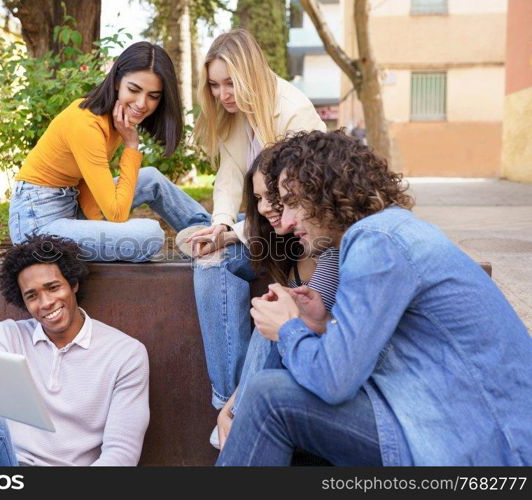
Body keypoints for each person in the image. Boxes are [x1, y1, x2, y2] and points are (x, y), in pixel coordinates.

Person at [218, 130, 532, 466]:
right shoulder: (387, 232)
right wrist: (320, 324)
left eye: (293, 201)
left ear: (327, 188)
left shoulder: (377, 241)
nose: (289, 218)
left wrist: (289, 328)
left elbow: (335, 381)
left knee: (270, 398)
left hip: (483, 444)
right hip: (444, 414)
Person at [177, 29, 326, 411]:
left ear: (251, 74)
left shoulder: (293, 110)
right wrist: (222, 225)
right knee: (209, 258)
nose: (223, 94)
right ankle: (227, 402)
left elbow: (306, 202)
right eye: (214, 85)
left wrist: (235, 235)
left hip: (302, 231)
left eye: (230, 83)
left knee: (225, 258)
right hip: (263, 224)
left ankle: (236, 411)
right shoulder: (235, 115)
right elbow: (229, 174)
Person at [0, 234, 149, 466]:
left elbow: (121, 454)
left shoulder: (125, 353)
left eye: (53, 287)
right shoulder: (8, 336)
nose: (46, 302)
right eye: (32, 295)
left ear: (73, 284)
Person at [9, 41, 209, 262]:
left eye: (153, 96)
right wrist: (132, 147)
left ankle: (209, 231)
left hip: (70, 207)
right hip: (38, 225)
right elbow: (116, 213)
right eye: (134, 89)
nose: (142, 103)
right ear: (116, 82)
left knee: (151, 178)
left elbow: (87, 186)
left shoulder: (113, 120)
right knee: (150, 236)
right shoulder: (86, 124)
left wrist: (98, 224)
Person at [212, 150, 340, 450]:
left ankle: (239, 418)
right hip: (285, 372)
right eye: (257, 198)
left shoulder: (331, 251)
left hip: (322, 374)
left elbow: (296, 327)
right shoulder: (292, 248)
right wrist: (228, 407)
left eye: (272, 195)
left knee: (273, 314)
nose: (264, 206)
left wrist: (234, 409)